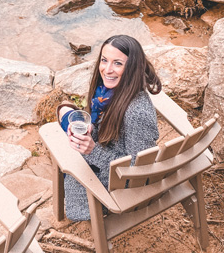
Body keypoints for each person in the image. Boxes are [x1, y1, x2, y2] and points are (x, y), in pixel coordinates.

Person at [57, 34, 161, 221]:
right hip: (108, 150)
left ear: (132, 67)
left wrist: (93, 150)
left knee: (64, 140)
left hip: (117, 181)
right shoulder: (109, 93)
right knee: (65, 110)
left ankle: (95, 206)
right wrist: (91, 129)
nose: (107, 69)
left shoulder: (137, 113)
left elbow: (137, 168)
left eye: (118, 63)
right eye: (104, 60)